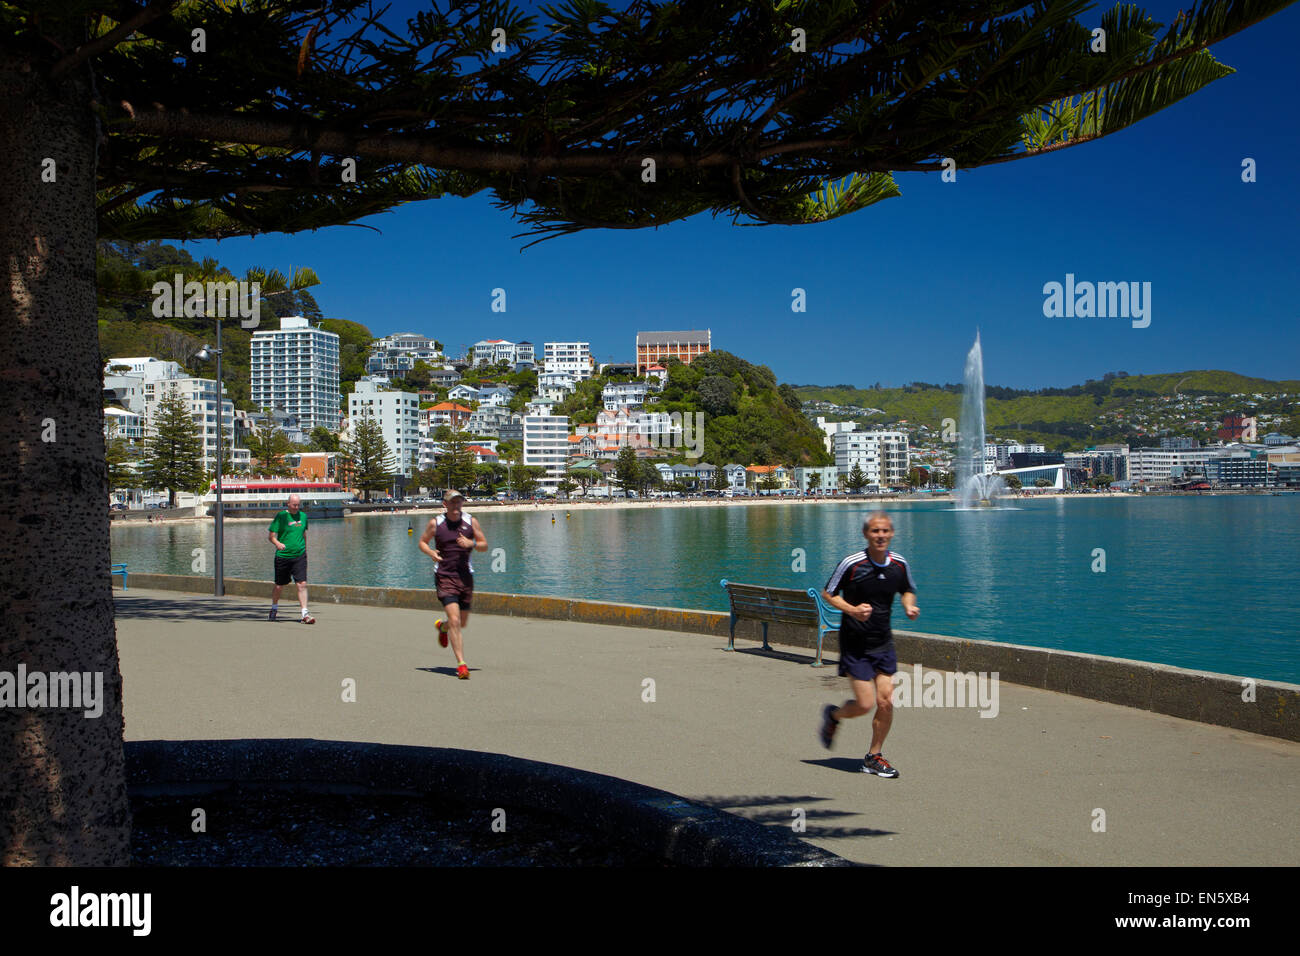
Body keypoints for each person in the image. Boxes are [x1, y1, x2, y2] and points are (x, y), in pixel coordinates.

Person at [817, 511, 919, 777]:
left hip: (883, 642)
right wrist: (851, 610)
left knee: (885, 701)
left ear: (892, 533)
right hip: (855, 643)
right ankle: (835, 716)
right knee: (864, 704)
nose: (880, 536)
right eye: (875, 531)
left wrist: (909, 606)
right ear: (866, 534)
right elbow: (828, 593)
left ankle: (874, 757)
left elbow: (907, 589)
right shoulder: (852, 563)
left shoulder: (899, 564)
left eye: (885, 531)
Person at [418, 490, 488, 680]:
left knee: (461, 622)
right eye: (453, 502)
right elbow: (422, 542)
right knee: (456, 621)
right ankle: (461, 664)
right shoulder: (436, 523)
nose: (456, 506)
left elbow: (484, 545)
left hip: (466, 577)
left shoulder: (471, 521)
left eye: (459, 502)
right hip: (444, 575)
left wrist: (470, 543)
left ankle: (443, 627)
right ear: (445, 505)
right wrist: (431, 553)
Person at [268, 494, 314, 624]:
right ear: (288, 503)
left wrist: (305, 550)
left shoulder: (303, 517)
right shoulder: (281, 516)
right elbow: (271, 536)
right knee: (279, 586)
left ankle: (305, 613)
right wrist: (278, 544)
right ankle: (274, 608)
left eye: (298, 505)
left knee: (302, 584)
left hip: (299, 555)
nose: (296, 507)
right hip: (283, 556)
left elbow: (303, 534)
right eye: (294, 505)